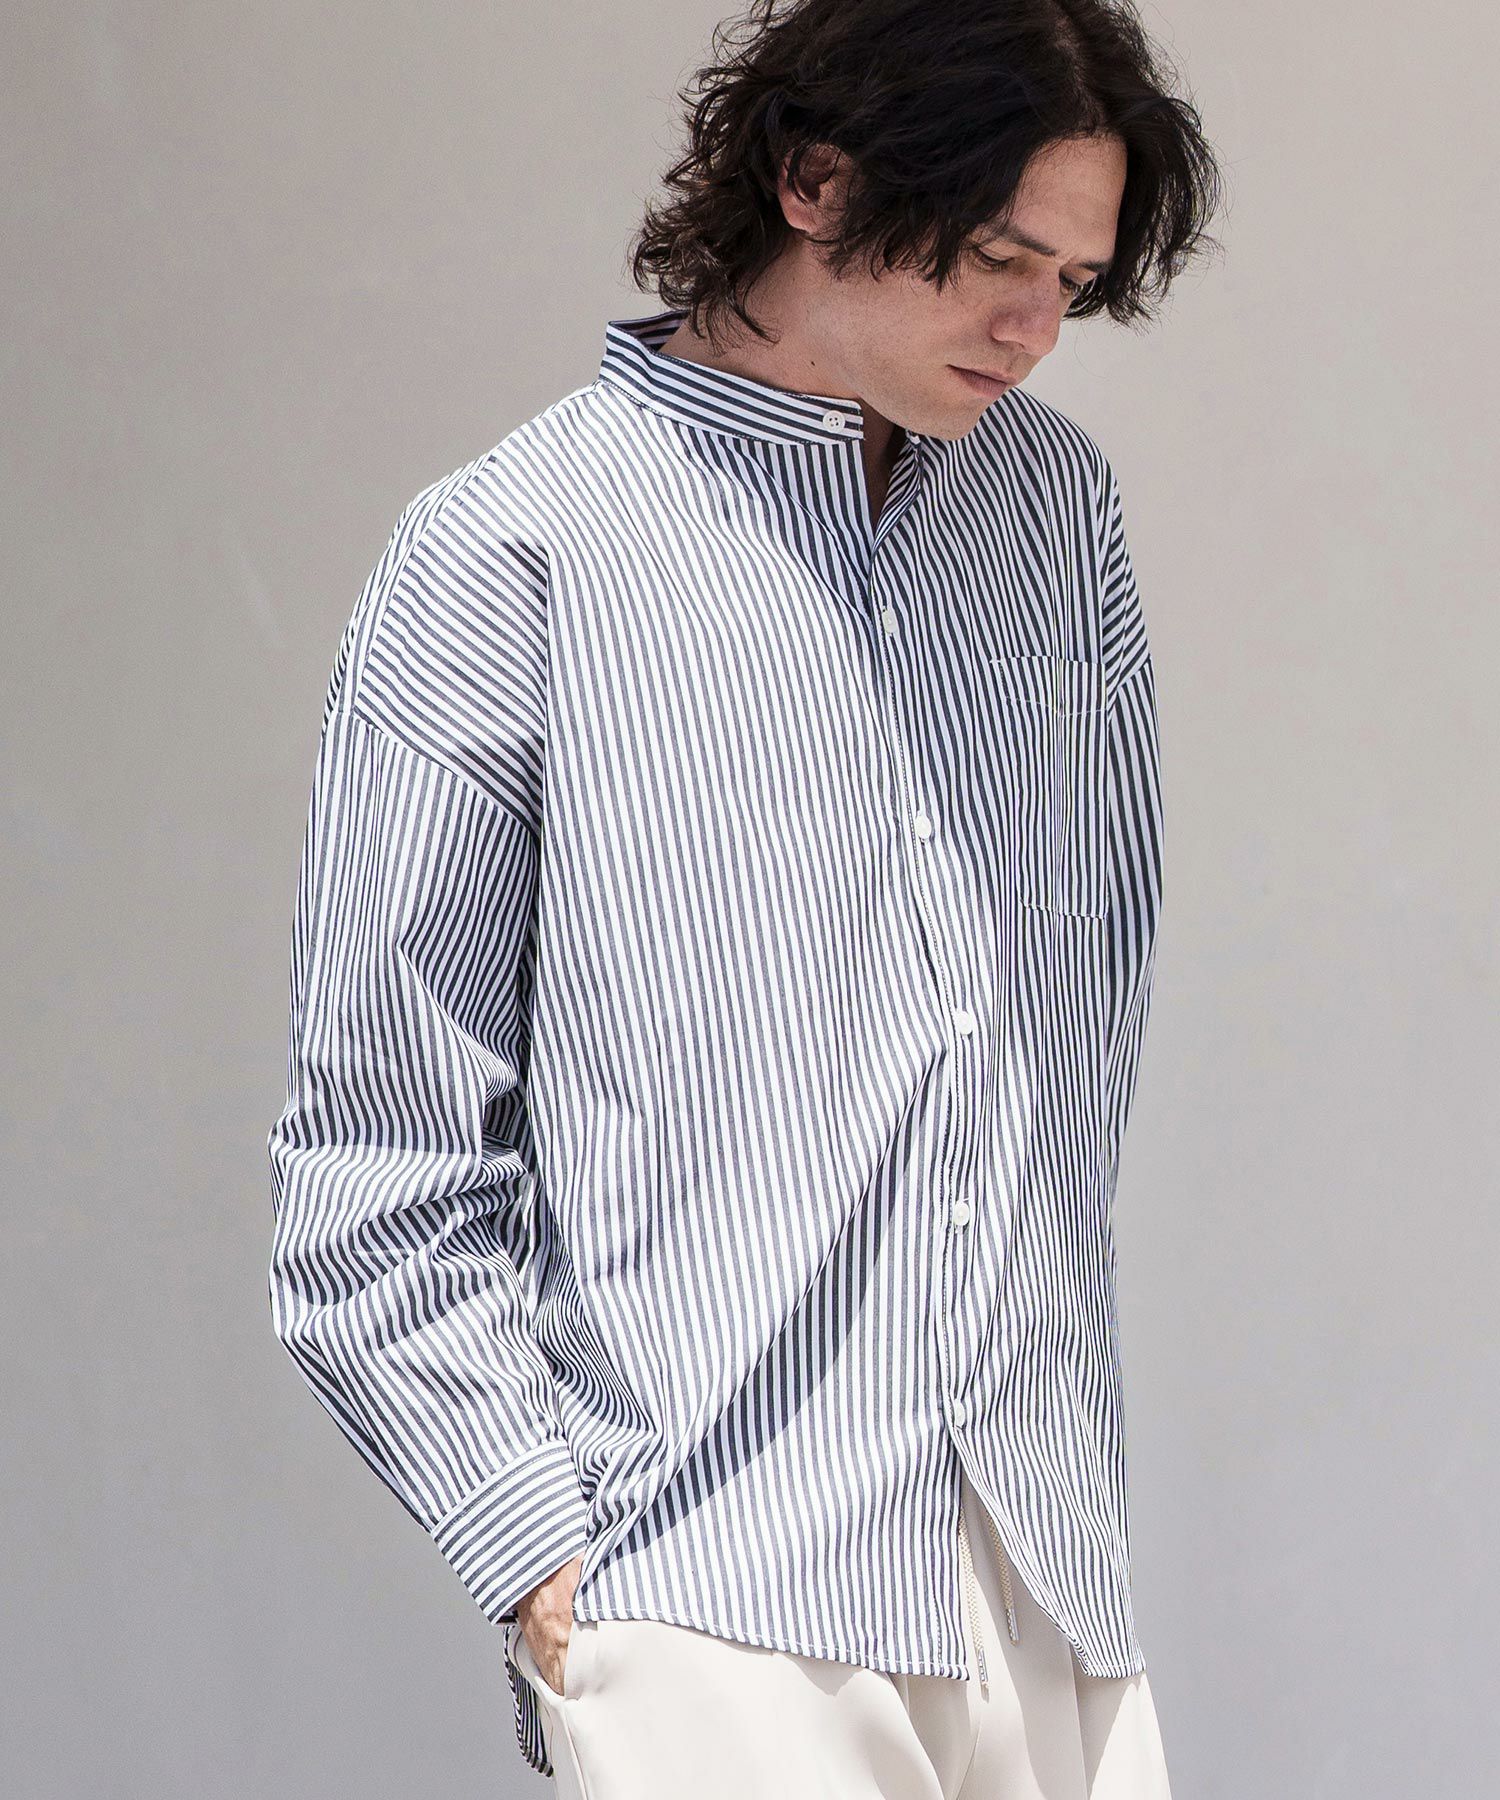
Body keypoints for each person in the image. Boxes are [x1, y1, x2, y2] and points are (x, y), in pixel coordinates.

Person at [266, 0, 1223, 1793]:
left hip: (1042, 1572)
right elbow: (374, 1154)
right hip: (713, 1596)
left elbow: (1084, 1010)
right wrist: (541, 1558)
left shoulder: (1053, 515)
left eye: (1074, 281)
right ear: (813, 181)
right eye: (996, 258)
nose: (1035, 327)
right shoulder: (512, 550)